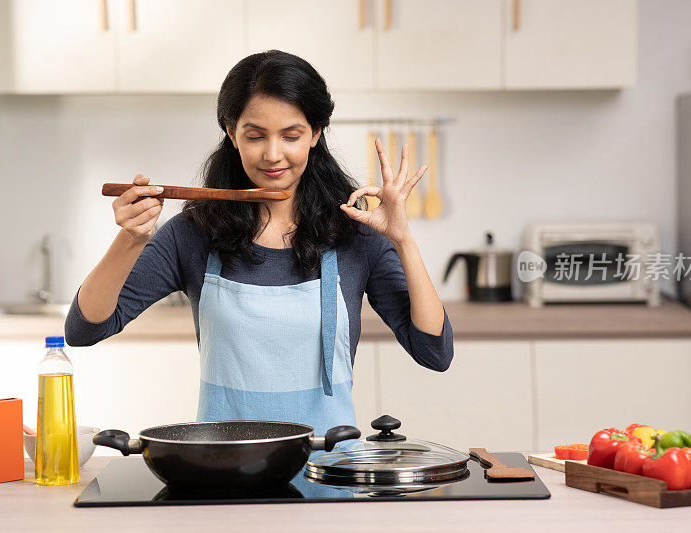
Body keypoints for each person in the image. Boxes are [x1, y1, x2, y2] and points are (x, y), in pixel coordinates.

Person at [65, 50, 453, 435]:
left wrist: (403, 241)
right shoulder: (193, 233)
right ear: (231, 133)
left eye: (291, 135)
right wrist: (130, 239)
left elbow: (434, 352)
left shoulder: (356, 233)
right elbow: (84, 330)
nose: (273, 155)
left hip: (328, 476)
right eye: (255, 136)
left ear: (316, 133)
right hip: (224, 477)